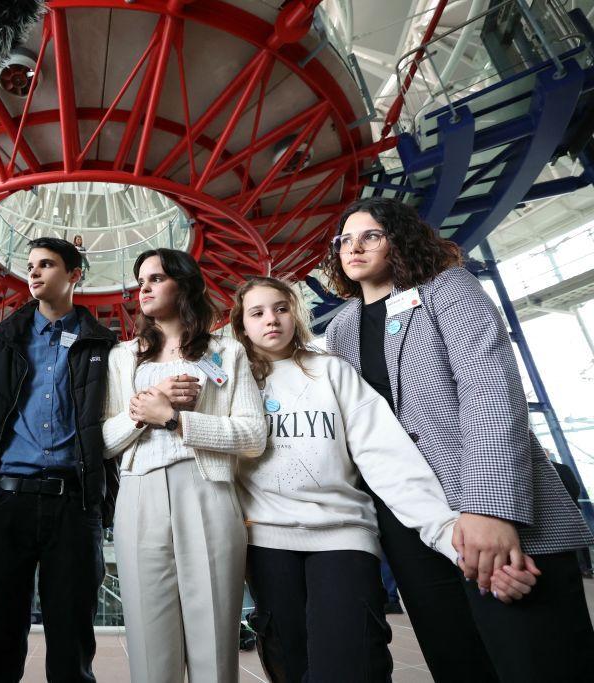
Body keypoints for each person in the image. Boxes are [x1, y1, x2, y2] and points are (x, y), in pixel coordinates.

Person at [323, 196, 594, 681]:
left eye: (371, 236)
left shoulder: (447, 289)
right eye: (345, 239)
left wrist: (490, 509)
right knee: (458, 661)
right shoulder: (341, 328)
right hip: (411, 522)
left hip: (488, 502)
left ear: (399, 240)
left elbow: (490, 391)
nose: (354, 248)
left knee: (537, 658)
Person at [231, 276, 472, 681]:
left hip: (343, 534)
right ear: (242, 325)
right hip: (267, 541)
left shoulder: (332, 372)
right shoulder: (231, 385)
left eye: (281, 308)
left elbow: (385, 455)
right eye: (257, 313)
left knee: (352, 664)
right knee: (291, 665)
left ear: (295, 314)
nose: (271, 319)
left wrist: (445, 531)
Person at [102, 248, 267, 683]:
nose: (145, 288)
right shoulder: (123, 356)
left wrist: (175, 420)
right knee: (148, 640)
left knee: (214, 636)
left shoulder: (225, 351)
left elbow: (252, 435)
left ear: (185, 283)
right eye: (141, 281)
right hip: (138, 493)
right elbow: (102, 440)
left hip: (208, 489)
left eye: (156, 278)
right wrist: (142, 411)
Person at [0, 236, 117, 682]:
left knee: (72, 639)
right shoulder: (0, 341)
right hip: (6, 500)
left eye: (47, 264)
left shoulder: (105, 346)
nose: (33, 272)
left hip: (74, 505)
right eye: (30, 265)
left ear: (75, 275)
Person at [547, 450, 594, 579]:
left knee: (568, 540)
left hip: (556, 511)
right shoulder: (563, 468)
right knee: (579, 539)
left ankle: (579, 568)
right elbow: (575, 487)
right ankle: (586, 568)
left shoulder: (543, 471)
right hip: (572, 507)